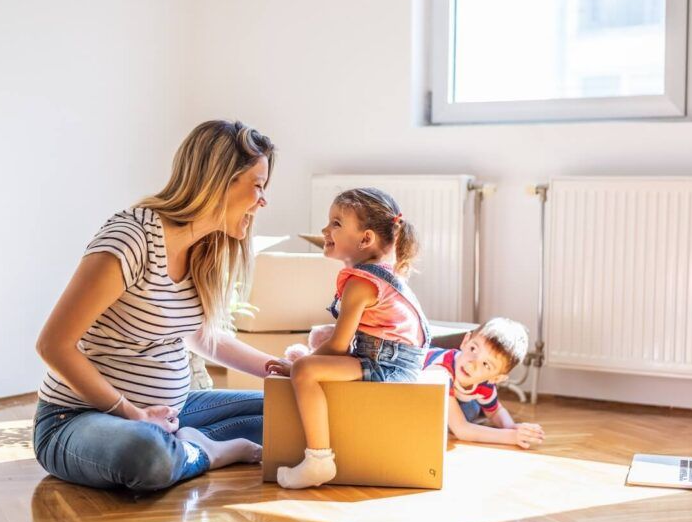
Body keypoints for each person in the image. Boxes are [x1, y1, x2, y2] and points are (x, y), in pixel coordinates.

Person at [33, 120, 281, 491]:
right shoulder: (131, 238)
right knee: (148, 456)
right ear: (219, 180)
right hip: (80, 417)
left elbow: (202, 337)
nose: (263, 200)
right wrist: (132, 415)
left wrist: (282, 371)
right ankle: (205, 452)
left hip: (171, 413)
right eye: (258, 186)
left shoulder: (204, 248)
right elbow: (53, 345)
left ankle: (185, 443)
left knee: (289, 415)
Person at [265, 187, 430, 489]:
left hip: (388, 366)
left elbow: (340, 347)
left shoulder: (361, 283)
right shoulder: (383, 274)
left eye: (336, 224)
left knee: (305, 369)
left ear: (365, 239)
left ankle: (319, 459)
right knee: (320, 343)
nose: (325, 229)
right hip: (391, 358)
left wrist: (298, 367)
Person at [423, 317, 545, 449]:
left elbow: (495, 411)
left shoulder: (486, 385)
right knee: (463, 415)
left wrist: (510, 427)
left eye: (486, 364)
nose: (472, 363)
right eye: (473, 349)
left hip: (454, 397)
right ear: (465, 342)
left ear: (496, 378)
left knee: (471, 410)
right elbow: (461, 430)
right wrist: (511, 436)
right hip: (414, 391)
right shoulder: (441, 369)